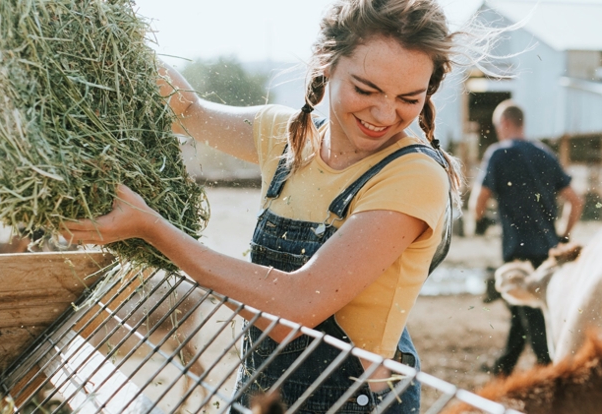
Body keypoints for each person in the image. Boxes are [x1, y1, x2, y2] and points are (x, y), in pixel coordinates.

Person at [63, 0, 477, 412]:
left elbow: (293, 308)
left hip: (355, 404)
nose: (384, 113)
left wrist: (151, 228)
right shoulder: (287, 135)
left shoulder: (414, 176)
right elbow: (188, 111)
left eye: (409, 98)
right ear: (326, 65)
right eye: (365, 89)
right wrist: (108, 33)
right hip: (264, 395)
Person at [471, 100, 584, 377]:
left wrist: (480, 222)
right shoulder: (545, 154)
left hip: (517, 250)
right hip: (547, 250)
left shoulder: (498, 154)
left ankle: (548, 370)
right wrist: (563, 235)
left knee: (530, 316)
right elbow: (575, 201)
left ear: (505, 124)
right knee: (523, 310)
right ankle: (505, 366)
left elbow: (478, 201)